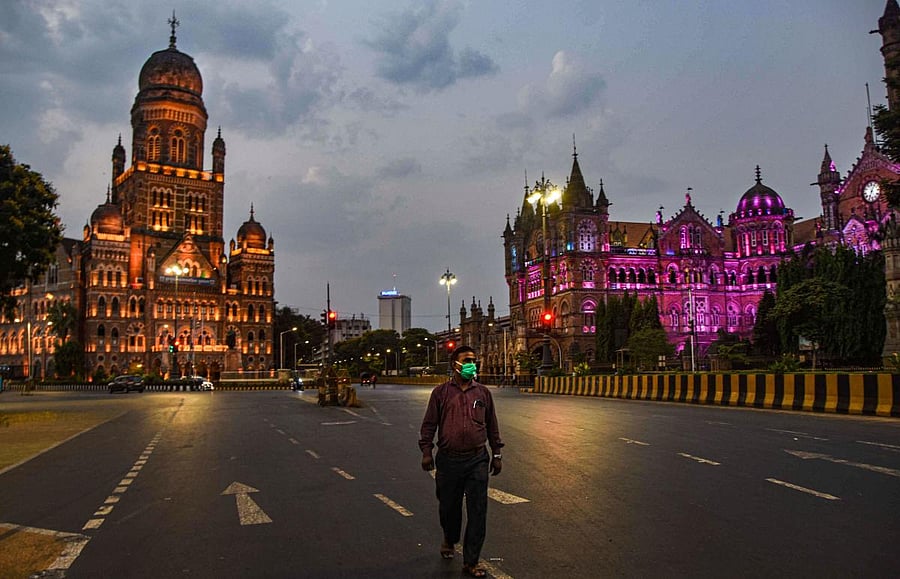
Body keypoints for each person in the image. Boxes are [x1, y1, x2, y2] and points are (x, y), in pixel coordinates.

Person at [418, 345, 503, 578]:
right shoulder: (441, 393)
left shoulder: (483, 393)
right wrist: (427, 451)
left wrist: (496, 454)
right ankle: (449, 537)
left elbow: (492, 426)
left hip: (477, 459)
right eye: (467, 360)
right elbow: (429, 425)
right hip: (448, 461)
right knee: (449, 508)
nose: (472, 364)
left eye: (474, 360)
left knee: (478, 511)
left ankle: (471, 561)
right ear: (455, 364)